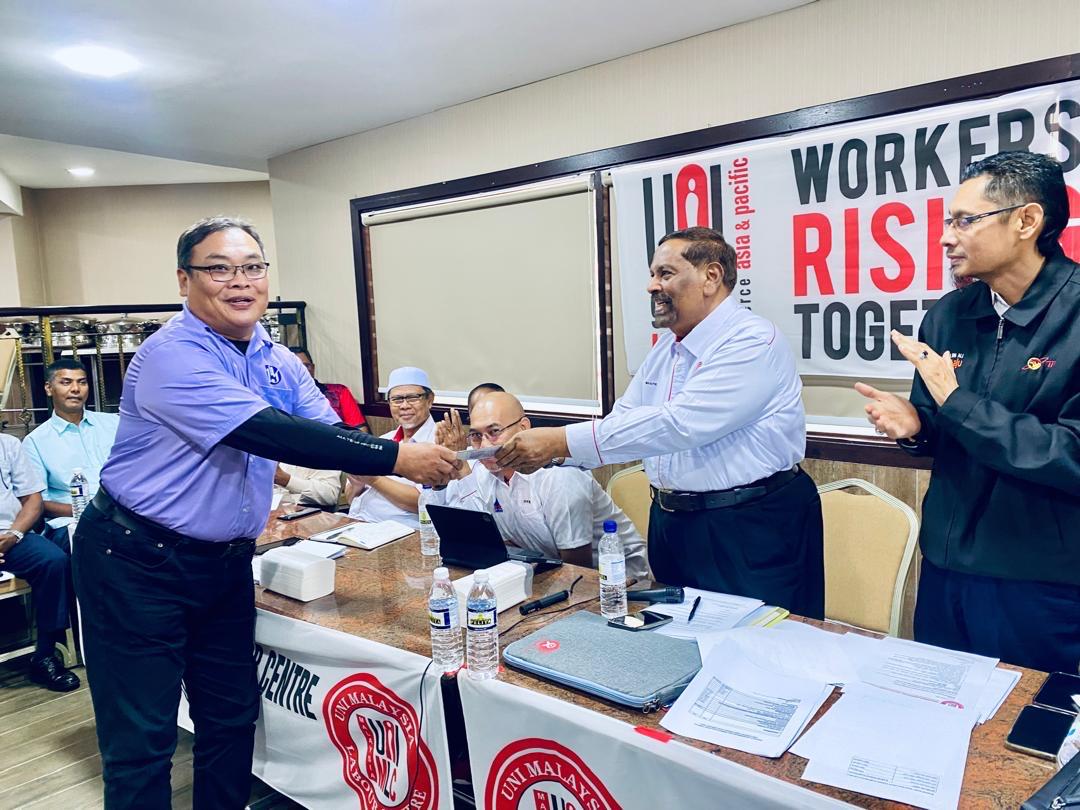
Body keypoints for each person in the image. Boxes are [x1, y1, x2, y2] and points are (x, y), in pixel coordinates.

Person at [71, 217, 457, 810]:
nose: (240, 281)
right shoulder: (172, 356)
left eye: (252, 267)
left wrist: (416, 462)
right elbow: (269, 431)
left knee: (230, 719)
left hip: (224, 564)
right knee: (142, 742)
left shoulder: (274, 357)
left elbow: (329, 433)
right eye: (219, 268)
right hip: (135, 561)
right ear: (184, 280)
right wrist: (401, 457)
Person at [496, 226, 823, 618]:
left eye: (665, 274)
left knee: (759, 639)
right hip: (674, 524)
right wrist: (553, 455)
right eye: (652, 274)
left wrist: (560, 441)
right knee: (675, 638)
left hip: (748, 526)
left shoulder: (751, 341)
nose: (651, 286)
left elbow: (679, 425)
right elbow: (626, 420)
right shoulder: (668, 347)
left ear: (711, 276)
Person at [856, 151, 1080, 674]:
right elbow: (944, 429)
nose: (945, 238)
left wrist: (958, 404)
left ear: (1027, 221)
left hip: (1042, 585)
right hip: (945, 569)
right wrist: (916, 427)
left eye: (964, 221)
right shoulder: (949, 315)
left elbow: (1071, 455)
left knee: (1031, 725)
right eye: (947, 221)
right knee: (937, 707)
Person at [434, 392, 648, 579]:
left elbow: (578, 571)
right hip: (547, 571)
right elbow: (489, 543)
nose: (485, 445)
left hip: (618, 582)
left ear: (524, 427)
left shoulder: (559, 477)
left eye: (495, 431)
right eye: (476, 436)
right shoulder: (484, 473)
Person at [0, 432, 80, 692]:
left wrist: (14, 534)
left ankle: (44, 655)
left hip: (10, 534)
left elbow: (32, 500)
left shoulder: (8, 444)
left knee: (53, 560)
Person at [23, 358, 120, 527]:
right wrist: (92, 511)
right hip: (73, 521)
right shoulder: (35, 441)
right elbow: (37, 502)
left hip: (126, 515)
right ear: (49, 388)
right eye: (66, 382)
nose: (76, 389)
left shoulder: (114, 424)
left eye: (82, 382)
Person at [346, 366, 436, 527]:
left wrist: (373, 479)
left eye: (413, 398)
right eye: (397, 399)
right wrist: (356, 484)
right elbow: (351, 498)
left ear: (429, 400)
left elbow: (424, 503)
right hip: (355, 523)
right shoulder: (383, 441)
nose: (404, 406)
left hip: (401, 531)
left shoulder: (439, 442)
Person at [290, 347, 368, 431]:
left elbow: (361, 430)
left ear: (313, 368)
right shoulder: (285, 400)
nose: (304, 371)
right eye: (297, 367)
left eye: (306, 366)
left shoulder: (339, 392)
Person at [273, 463, 342, 508]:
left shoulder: (326, 454)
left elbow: (330, 495)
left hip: (310, 515)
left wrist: (287, 480)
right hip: (277, 509)